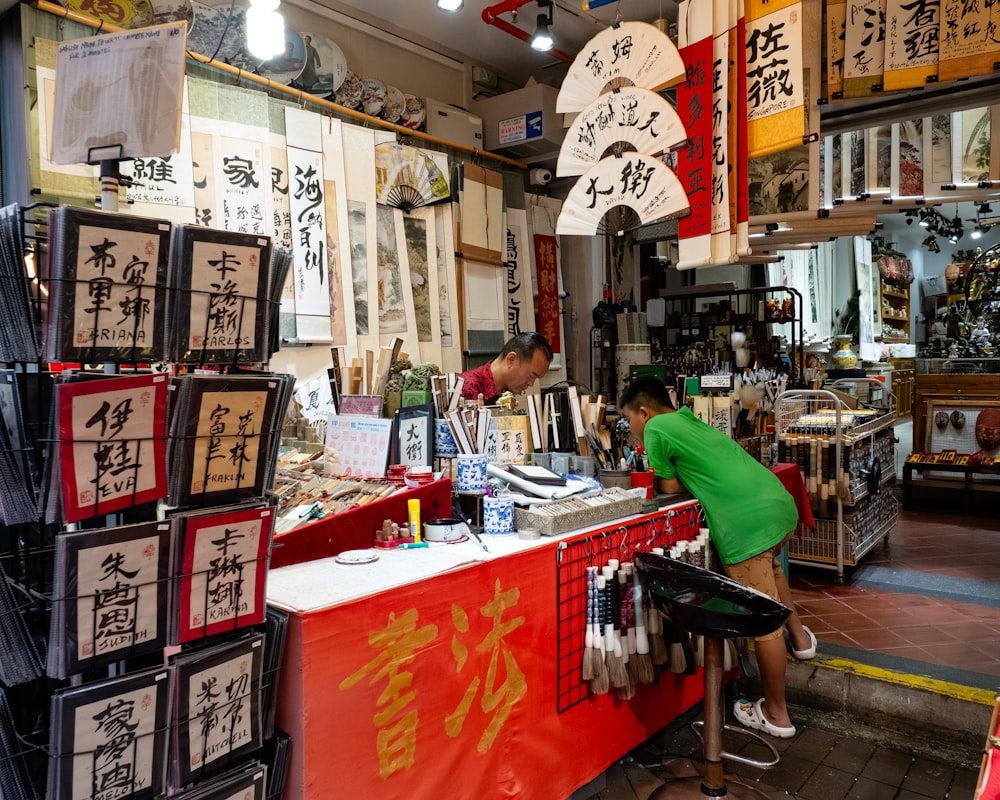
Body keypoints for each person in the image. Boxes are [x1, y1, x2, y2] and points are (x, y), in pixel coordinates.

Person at [619, 376, 816, 739]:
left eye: (629, 420)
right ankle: (801, 640)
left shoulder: (656, 429)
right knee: (770, 571)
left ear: (643, 413)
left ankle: (777, 714)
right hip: (776, 503)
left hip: (746, 526)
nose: (631, 430)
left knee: (763, 621)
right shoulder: (686, 418)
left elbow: (669, 486)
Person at [459, 332, 553, 405]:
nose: (531, 384)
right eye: (531, 376)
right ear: (511, 359)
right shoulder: (468, 386)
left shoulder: (504, 392)